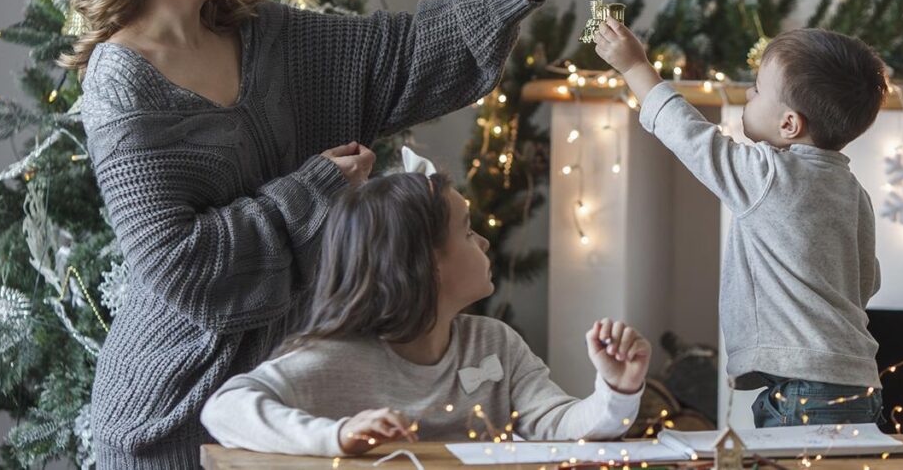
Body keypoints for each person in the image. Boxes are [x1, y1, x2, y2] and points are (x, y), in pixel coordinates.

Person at [62, 0, 623, 467]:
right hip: (170, 417)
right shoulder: (123, 81)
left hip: (304, 411)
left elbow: (406, 52)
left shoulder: (271, 35)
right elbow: (179, 265)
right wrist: (315, 187)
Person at [201, 155, 651, 455]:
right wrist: (335, 435)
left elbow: (559, 424)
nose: (484, 240)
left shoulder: (495, 343)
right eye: (468, 230)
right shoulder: (335, 358)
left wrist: (616, 391)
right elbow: (224, 409)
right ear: (427, 261)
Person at [593, 21, 886, 427]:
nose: (748, 94)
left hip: (804, 393)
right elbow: (867, 281)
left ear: (789, 124)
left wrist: (633, 66)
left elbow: (688, 135)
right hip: (859, 383)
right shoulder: (854, 192)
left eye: (758, 89)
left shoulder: (767, 176)